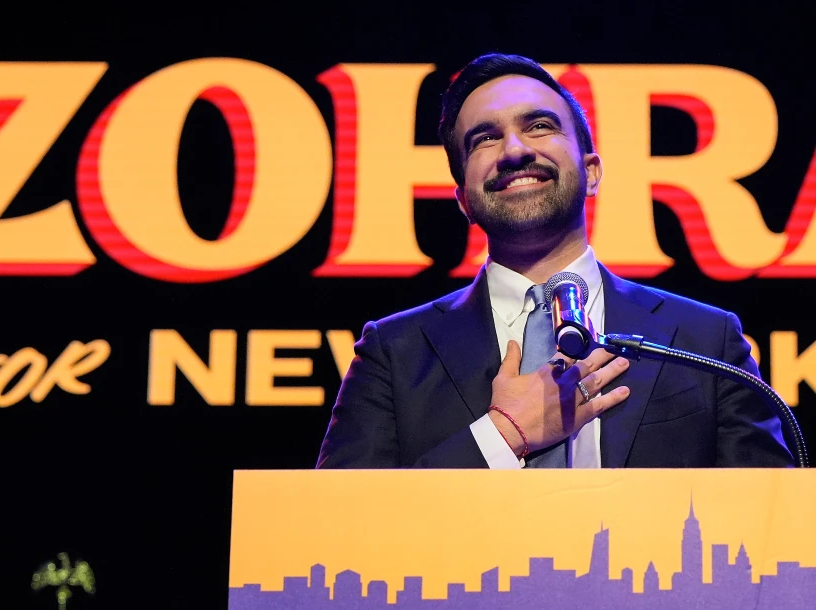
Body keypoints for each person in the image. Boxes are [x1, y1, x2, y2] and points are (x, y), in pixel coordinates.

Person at [316, 52, 791, 471]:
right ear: (463, 201)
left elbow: (769, 520)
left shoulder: (705, 340)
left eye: (539, 126)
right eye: (484, 138)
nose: (515, 150)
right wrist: (502, 436)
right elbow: (340, 522)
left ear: (591, 172)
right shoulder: (393, 354)